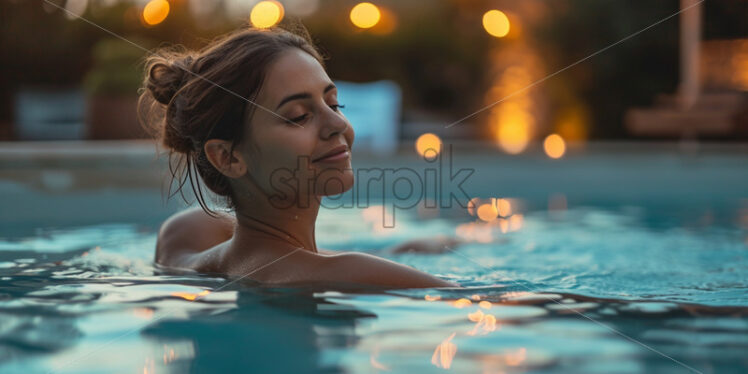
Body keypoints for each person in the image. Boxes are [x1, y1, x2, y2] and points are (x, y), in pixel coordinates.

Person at [138, 25, 459, 289]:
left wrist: (393, 252)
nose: (338, 125)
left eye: (333, 105)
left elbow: (279, 253)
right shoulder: (350, 275)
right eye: (297, 116)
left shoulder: (182, 236)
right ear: (227, 157)